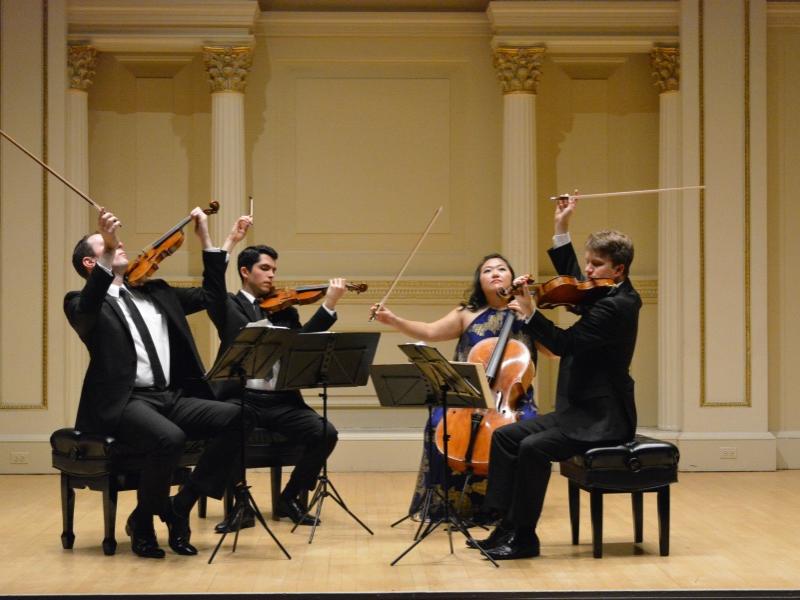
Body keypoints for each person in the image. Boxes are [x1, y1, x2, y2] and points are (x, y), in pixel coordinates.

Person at [65, 208, 252, 559]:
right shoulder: (81, 303)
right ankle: (146, 527)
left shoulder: (157, 292)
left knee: (238, 416)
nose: (120, 245)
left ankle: (178, 505)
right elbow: (89, 304)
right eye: (107, 246)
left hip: (170, 396)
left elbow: (213, 297)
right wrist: (108, 247)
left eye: (116, 243)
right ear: (91, 263)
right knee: (170, 438)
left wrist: (210, 240)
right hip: (125, 402)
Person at [474, 196, 641, 560]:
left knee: (533, 448)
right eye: (588, 261)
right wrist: (561, 227)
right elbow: (574, 283)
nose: (588, 270)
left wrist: (531, 313)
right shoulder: (604, 291)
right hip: (577, 412)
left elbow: (565, 344)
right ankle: (503, 524)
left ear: (619, 269)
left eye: (596, 264)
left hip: (602, 419)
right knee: (505, 437)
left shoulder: (619, 306)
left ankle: (524, 538)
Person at [370, 253, 538, 523]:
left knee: (521, 428)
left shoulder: (528, 313)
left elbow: (553, 351)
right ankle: (444, 504)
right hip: (469, 396)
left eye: (501, 269)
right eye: (487, 270)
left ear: (511, 277)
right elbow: (429, 331)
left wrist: (531, 314)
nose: (495, 273)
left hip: (512, 400)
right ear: (479, 281)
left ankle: (505, 509)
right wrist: (394, 320)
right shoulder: (467, 313)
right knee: (437, 423)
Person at [207, 216, 346, 530]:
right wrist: (230, 240)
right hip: (241, 397)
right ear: (246, 272)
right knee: (228, 427)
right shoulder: (229, 306)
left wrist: (328, 304)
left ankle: (289, 498)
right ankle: (241, 505)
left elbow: (303, 344)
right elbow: (213, 286)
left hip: (282, 400)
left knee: (325, 432)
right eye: (265, 268)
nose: (272, 275)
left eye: (274, 270)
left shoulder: (285, 310)